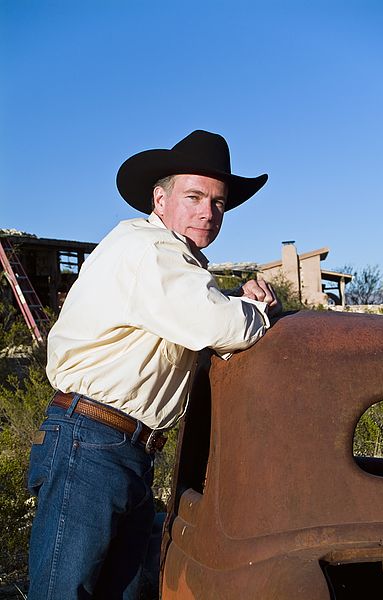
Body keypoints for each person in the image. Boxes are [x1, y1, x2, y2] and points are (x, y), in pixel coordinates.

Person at [27, 129, 280, 600]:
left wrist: (232, 305)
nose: (208, 211)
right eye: (194, 196)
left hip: (121, 448)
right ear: (160, 200)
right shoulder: (149, 248)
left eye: (219, 202)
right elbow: (217, 324)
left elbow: (200, 316)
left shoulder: (173, 267)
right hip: (92, 442)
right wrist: (259, 311)